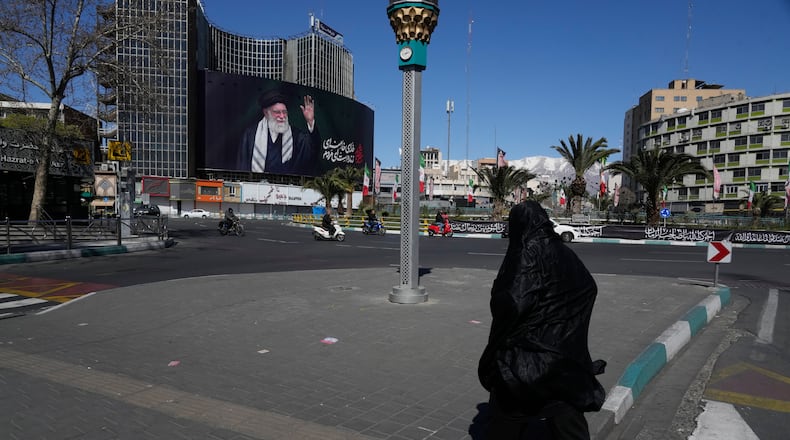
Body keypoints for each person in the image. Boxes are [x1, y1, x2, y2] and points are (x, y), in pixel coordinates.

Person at [477, 201, 606, 439]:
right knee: (565, 410)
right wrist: (565, 319)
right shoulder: (564, 251)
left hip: (526, 356)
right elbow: (588, 287)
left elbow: (513, 301)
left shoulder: (527, 253)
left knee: (507, 411)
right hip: (564, 354)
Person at [237, 88, 321, 176]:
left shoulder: (295, 135)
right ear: (266, 113)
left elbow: (312, 148)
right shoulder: (251, 135)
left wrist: (310, 121)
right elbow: (242, 166)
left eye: (284, 112)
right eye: (277, 112)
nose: (282, 116)